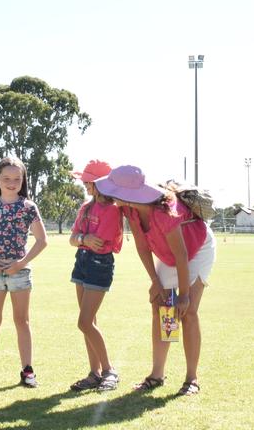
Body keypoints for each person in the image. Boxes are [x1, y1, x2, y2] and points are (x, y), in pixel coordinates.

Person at [97, 165, 213, 397]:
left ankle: (192, 379)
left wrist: (183, 295)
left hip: (197, 250)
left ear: (128, 194)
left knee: (187, 311)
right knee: (163, 308)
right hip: (169, 255)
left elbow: (182, 255)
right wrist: (155, 281)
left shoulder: (164, 210)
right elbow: (142, 245)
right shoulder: (129, 210)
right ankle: (157, 375)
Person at [0, 156, 48, 389]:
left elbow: (42, 241)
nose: (12, 183)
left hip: (19, 272)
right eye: (6, 179)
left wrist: (21, 264)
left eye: (17, 178)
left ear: (22, 180)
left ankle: (27, 371)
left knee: (21, 320)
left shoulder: (28, 207)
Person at [67, 159, 122, 392]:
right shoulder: (85, 208)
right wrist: (83, 239)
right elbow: (73, 239)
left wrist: (84, 239)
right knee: (89, 322)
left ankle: (110, 371)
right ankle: (95, 373)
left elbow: (99, 244)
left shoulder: (112, 210)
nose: (85, 185)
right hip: (82, 263)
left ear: (100, 184)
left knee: (84, 322)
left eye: (89, 181)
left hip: (99, 264)